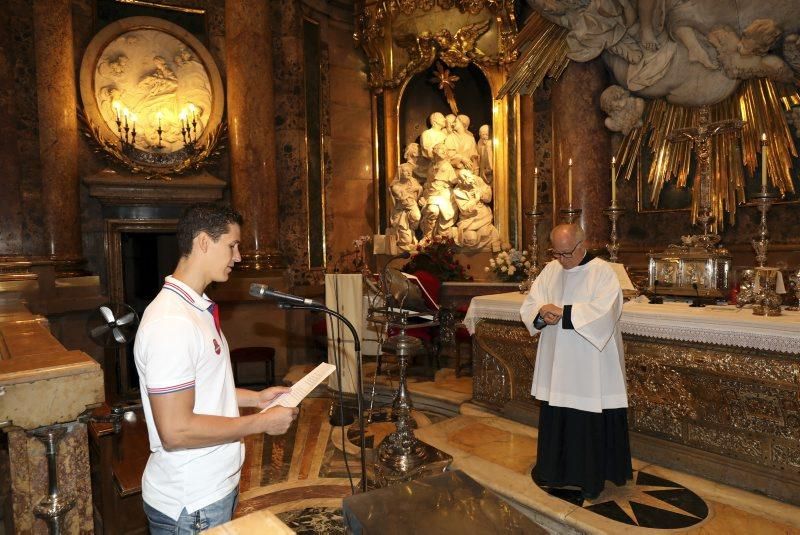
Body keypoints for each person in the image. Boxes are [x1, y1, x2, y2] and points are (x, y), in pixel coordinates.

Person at [134, 203, 299, 532]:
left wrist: (257, 398)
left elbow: (205, 387)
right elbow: (176, 431)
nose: (238, 257)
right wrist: (261, 423)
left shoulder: (194, 308)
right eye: (232, 245)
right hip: (192, 501)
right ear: (204, 242)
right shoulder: (172, 322)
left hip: (208, 490)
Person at [519, 224, 631, 500]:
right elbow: (531, 303)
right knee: (557, 414)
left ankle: (590, 477)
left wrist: (564, 313)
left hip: (590, 362)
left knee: (587, 417)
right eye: (555, 252)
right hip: (556, 358)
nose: (560, 259)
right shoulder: (550, 269)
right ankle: (553, 471)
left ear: (582, 245)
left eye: (565, 253)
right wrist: (541, 312)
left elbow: (606, 312)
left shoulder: (604, 272)